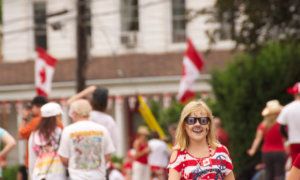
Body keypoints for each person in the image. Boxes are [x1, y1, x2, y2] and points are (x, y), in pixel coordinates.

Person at [168, 99, 234, 180]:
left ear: (209, 125)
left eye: (203, 120)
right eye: (191, 120)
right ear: (184, 125)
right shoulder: (178, 154)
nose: (198, 124)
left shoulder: (221, 151)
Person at [58, 99, 115, 180]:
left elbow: (64, 158)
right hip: (98, 176)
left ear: (74, 113)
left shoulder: (68, 131)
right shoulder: (102, 130)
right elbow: (107, 155)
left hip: (77, 177)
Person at [18, 96, 64, 169]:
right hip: (55, 164)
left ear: (38, 107)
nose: (31, 110)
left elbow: (20, 136)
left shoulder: (35, 121)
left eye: (32, 107)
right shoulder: (59, 123)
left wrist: (24, 118)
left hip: (37, 164)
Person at [247, 100, 286, 180]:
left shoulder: (262, 125)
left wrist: (253, 150)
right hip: (280, 151)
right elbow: (286, 138)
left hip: (267, 152)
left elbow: (258, 139)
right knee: (280, 174)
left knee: (269, 174)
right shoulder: (282, 125)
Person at [28, 102, 67, 180]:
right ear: (57, 116)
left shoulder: (34, 134)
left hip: (40, 175)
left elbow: (32, 160)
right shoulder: (60, 133)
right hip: (58, 175)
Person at [277, 82, 300, 164]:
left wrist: (288, 136)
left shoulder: (287, 108)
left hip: (294, 142)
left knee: (295, 167)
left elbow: (281, 128)